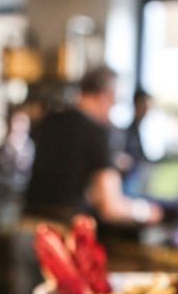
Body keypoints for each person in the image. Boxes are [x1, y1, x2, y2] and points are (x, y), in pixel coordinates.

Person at [24, 67, 162, 225]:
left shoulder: (49, 121)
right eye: (114, 101)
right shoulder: (96, 131)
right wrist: (145, 212)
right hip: (63, 232)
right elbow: (110, 206)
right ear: (105, 95)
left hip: (27, 225)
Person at [114, 89, 151, 177]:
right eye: (144, 105)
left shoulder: (142, 129)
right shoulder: (125, 129)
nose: (146, 110)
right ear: (137, 105)